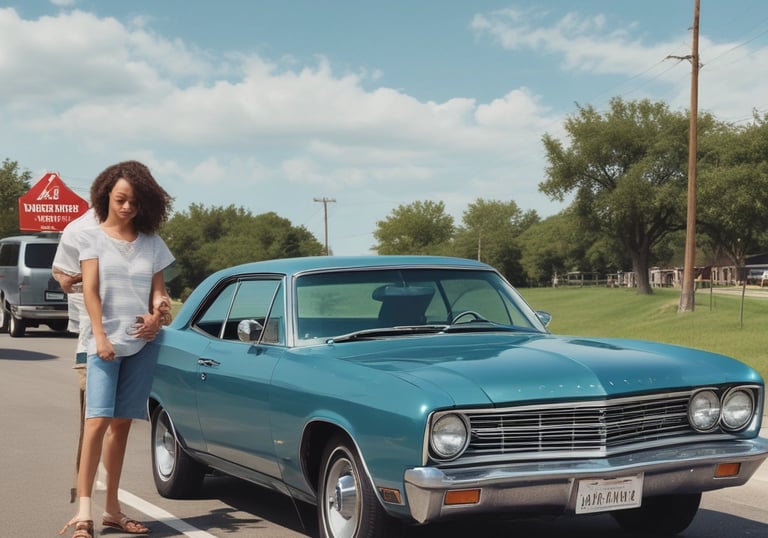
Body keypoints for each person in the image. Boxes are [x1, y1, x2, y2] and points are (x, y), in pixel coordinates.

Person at [59, 161, 174, 538]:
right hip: (103, 343)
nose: (127, 208)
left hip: (142, 344)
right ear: (106, 194)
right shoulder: (92, 238)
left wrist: (158, 313)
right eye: (121, 199)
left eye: (135, 202)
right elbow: (89, 291)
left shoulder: (153, 244)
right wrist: (100, 336)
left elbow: (158, 293)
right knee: (95, 423)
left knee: (122, 426)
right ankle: (84, 512)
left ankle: (112, 510)